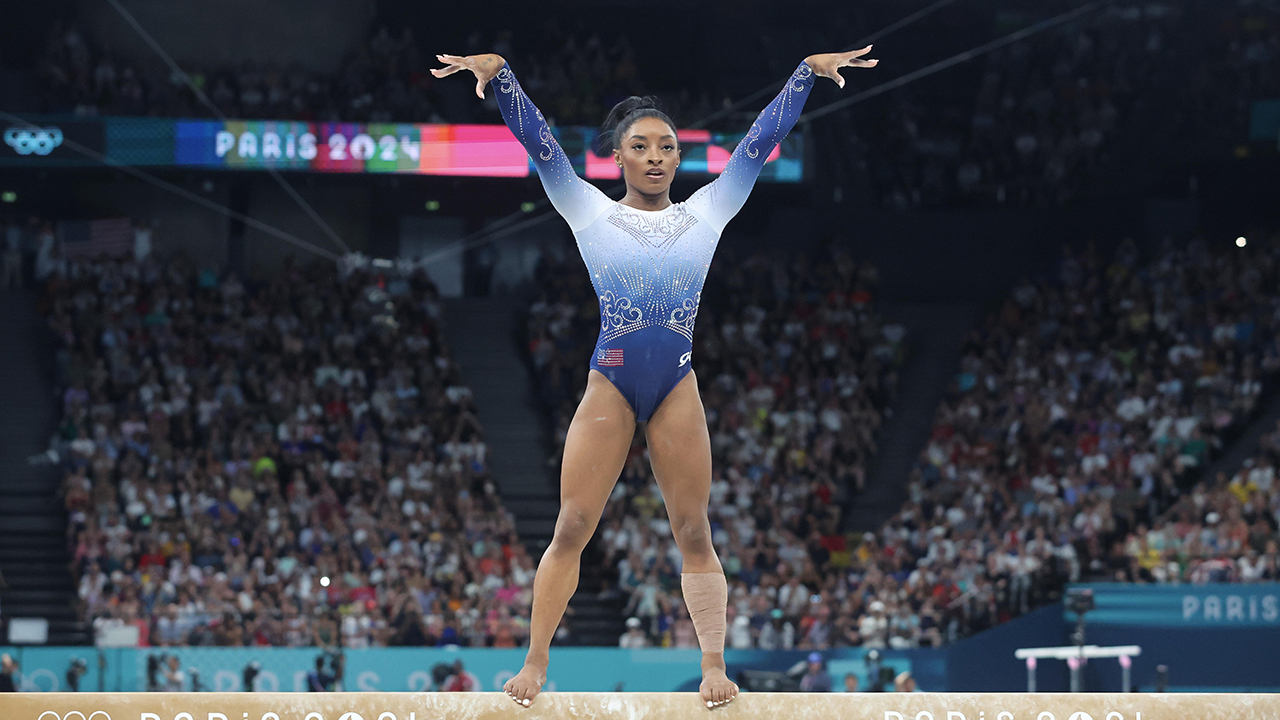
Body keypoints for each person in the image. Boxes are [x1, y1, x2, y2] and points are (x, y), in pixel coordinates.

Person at [432, 42, 878, 711]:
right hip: (610, 381)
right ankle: (534, 661)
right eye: (640, 146)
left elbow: (756, 147)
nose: (655, 156)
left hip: (674, 383)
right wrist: (503, 80)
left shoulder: (705, 213)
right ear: (619, 155)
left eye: (667, 147)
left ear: (679, 156)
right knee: (572, 525)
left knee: (694, 531)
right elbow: (543, 146)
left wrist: (803, 76)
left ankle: (713, 666)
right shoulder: (589, 212)